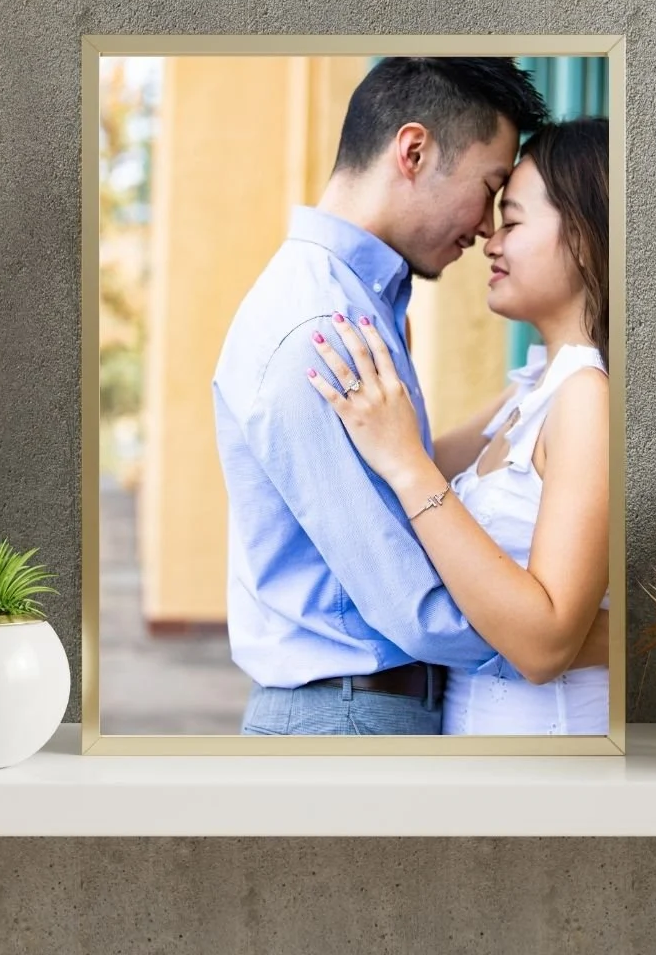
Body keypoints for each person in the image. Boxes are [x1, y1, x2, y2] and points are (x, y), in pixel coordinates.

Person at [212, 57, 598, 736]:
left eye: (511, 211)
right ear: (413, 151)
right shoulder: (324, 332)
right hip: (347, 715)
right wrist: (582, 642)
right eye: (489, 191)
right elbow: (409, 602)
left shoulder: (364, 307)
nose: (486, 231)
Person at [305, 117, 610, 735]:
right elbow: (397, 473)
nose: (490, 241)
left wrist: (409, 465)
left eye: (515, 221)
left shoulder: (586, 398)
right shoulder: (532, 391)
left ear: (583, 235)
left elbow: (545, 644)